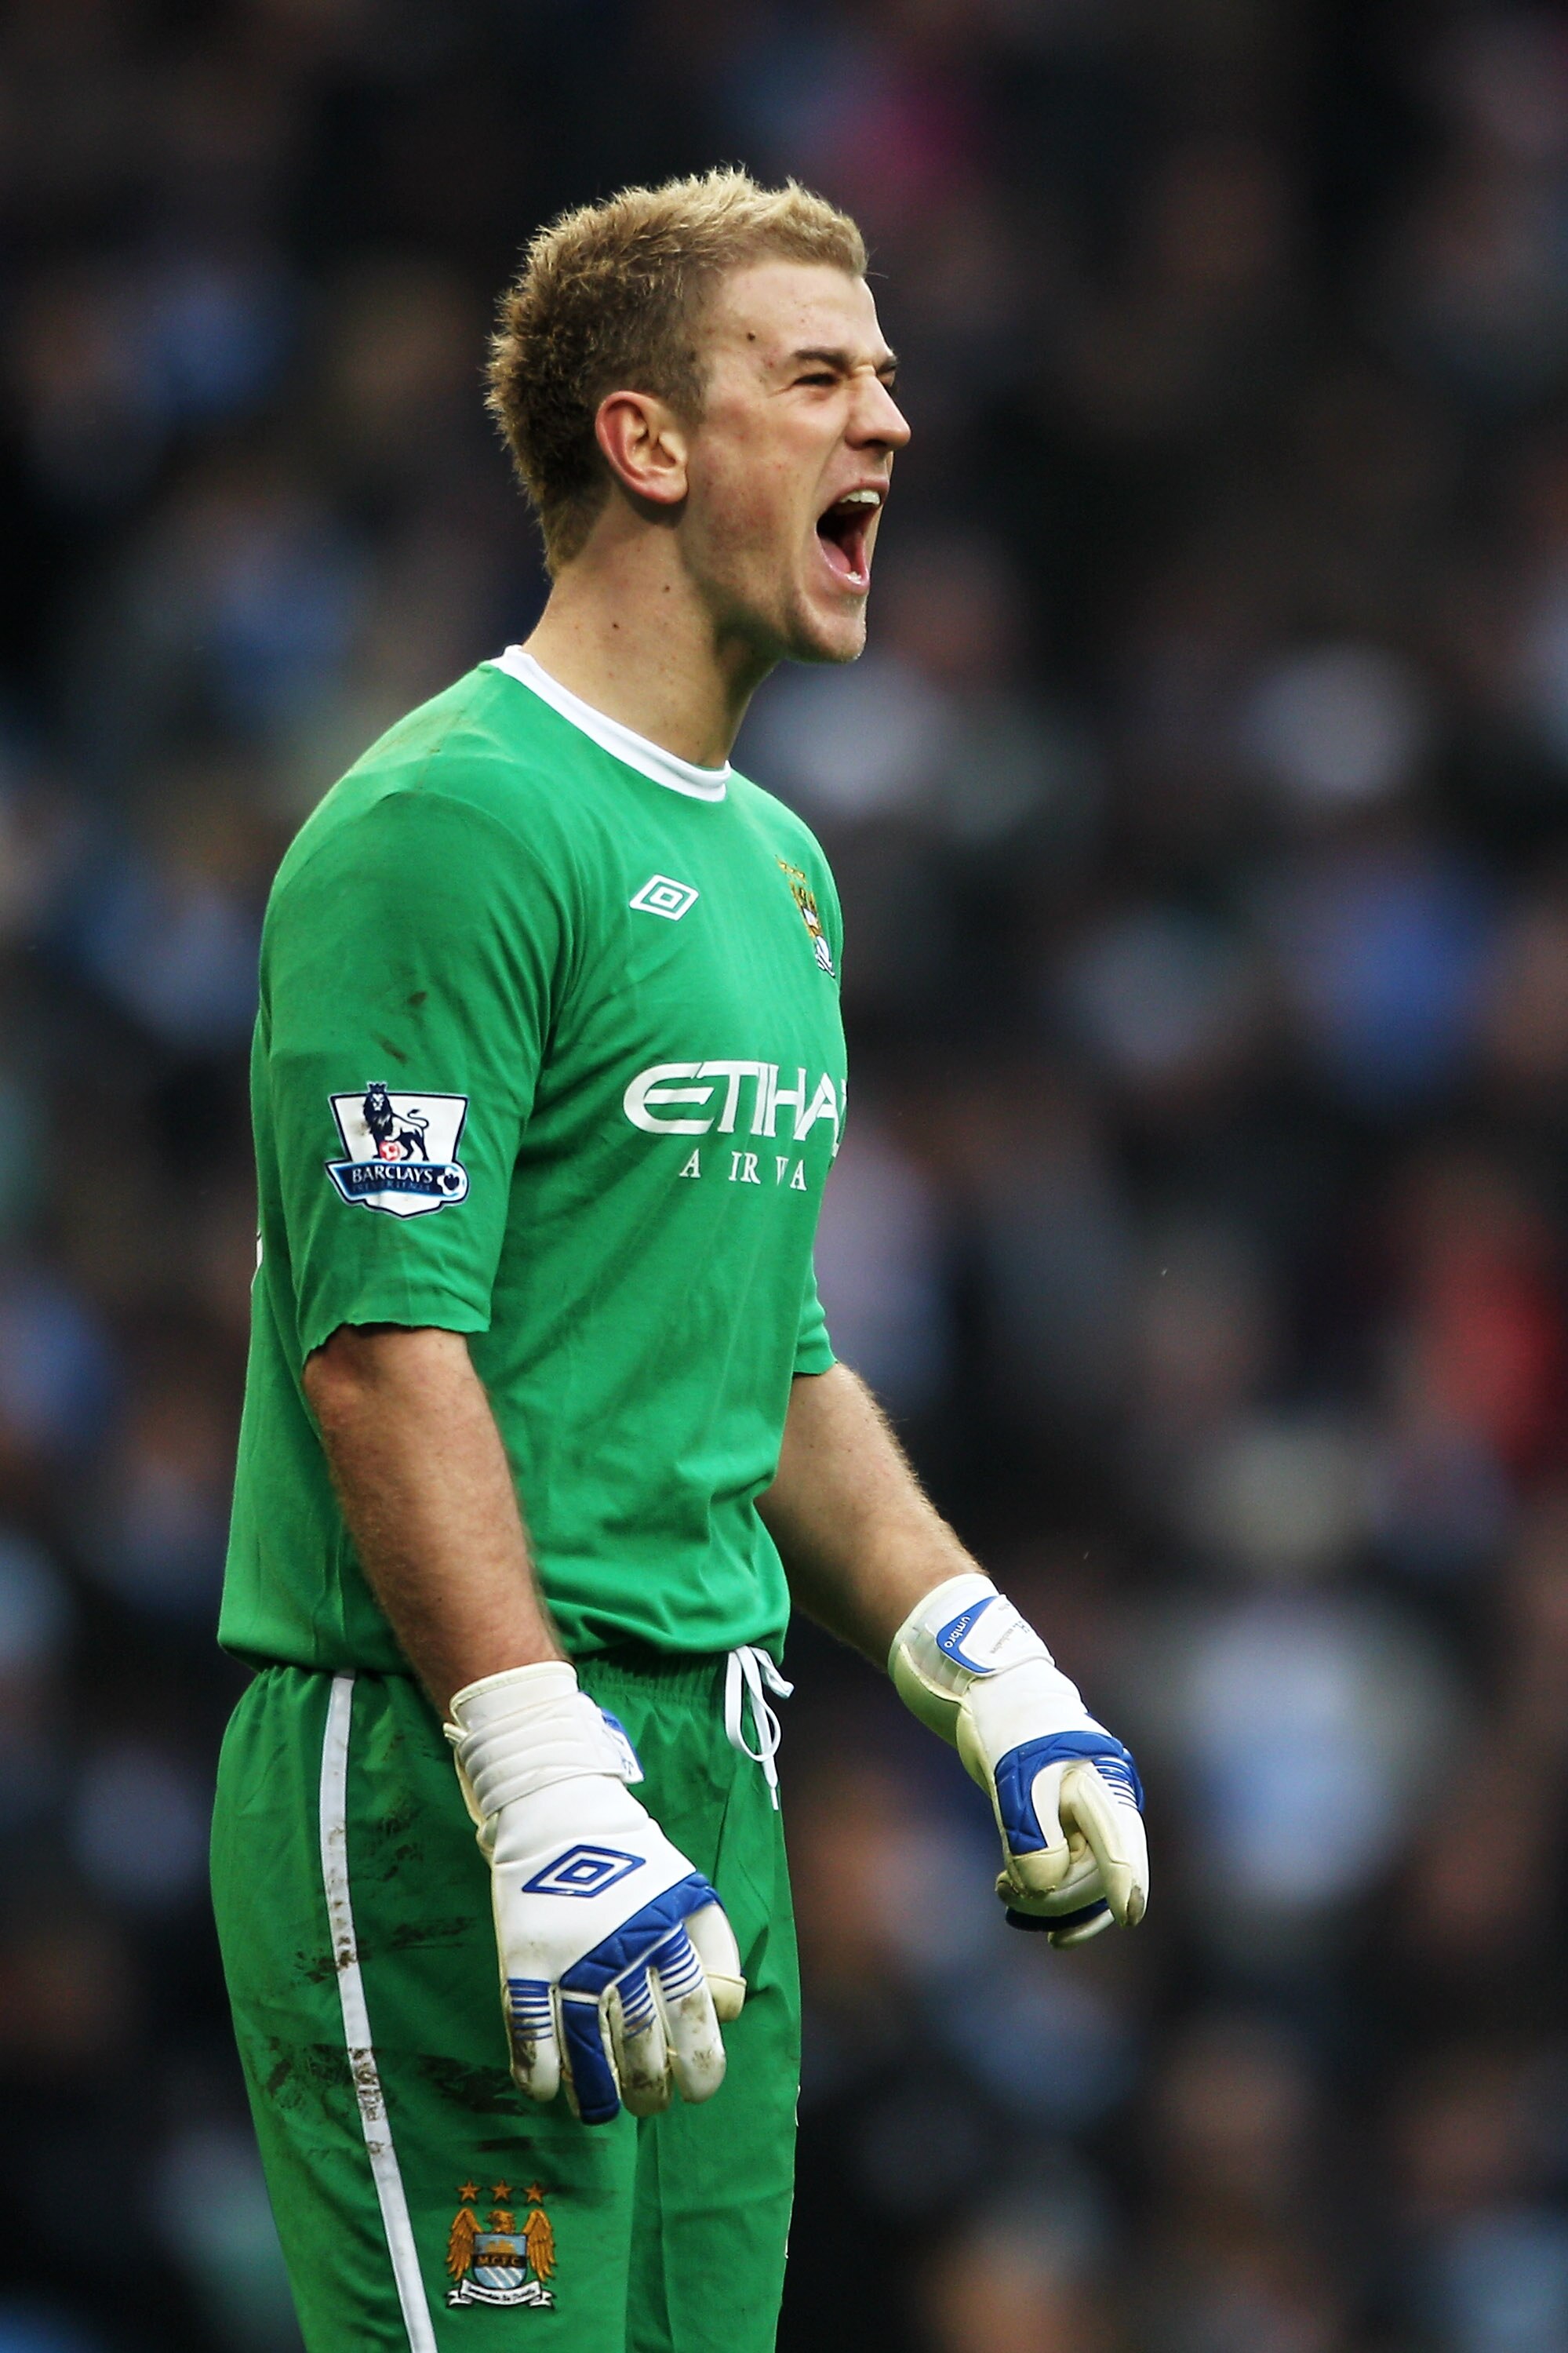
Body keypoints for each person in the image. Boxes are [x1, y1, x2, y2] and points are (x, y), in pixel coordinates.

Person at [210, 168, 1149, 2353]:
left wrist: (984, 1663)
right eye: (818, 377)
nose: (888, 427)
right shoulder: (455, 821)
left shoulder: (786, 872)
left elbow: (768, 1341)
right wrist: (536, 1774)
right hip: (453, 1765)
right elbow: (380, 1340)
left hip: (715, 1751)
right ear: (646, 442)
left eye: (889, 380)